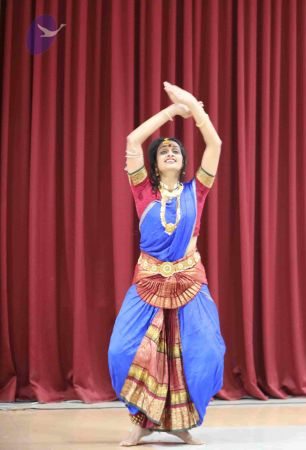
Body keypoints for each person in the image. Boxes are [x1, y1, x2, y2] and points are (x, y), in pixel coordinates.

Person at [108, 82, 226, 446]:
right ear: (155, 164)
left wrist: (195, 109)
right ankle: (141, 421)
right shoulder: (143, 191)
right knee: (123, 351)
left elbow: (215, 145)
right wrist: (173, 111)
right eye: (164, 150)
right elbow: (132, 140)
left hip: (190, 281)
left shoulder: (197, 191)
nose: (171, 152)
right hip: (148, 282)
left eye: (176, 150)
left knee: (203, 351)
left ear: (184, 162)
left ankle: (179, 424)